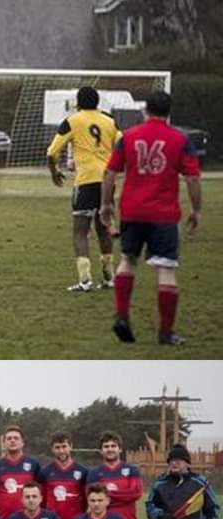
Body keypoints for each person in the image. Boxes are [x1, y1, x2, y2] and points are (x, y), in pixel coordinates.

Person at [101, 90, 202, 346]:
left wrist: (105, 204)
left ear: (145, 110)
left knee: (127, 260)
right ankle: (166, 333)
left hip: (132, 210)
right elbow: (192, 177)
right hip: (163, 215)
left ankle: (122, 316)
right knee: (166, 269)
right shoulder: (180, 139)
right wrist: (196, 209)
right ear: (169, 112)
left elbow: (110, 172)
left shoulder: (129, 136)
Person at [46, 86, 120, 292]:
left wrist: (54, 172)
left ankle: (85, 280)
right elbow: (123, 144)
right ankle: (108, 277)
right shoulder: (109, 121)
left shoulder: (72, 121)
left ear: (78, 102)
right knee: (103, 227)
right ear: (97, 102)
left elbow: (51, 153)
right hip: (107, 181)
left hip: (86, 180)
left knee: (80, 231)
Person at [0, 425, 41, 519]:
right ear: (4, 443)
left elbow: (40, 492)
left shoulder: (33, 464)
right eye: (9, 438)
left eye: (16, 438)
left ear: (22, 442)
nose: (12, 441)